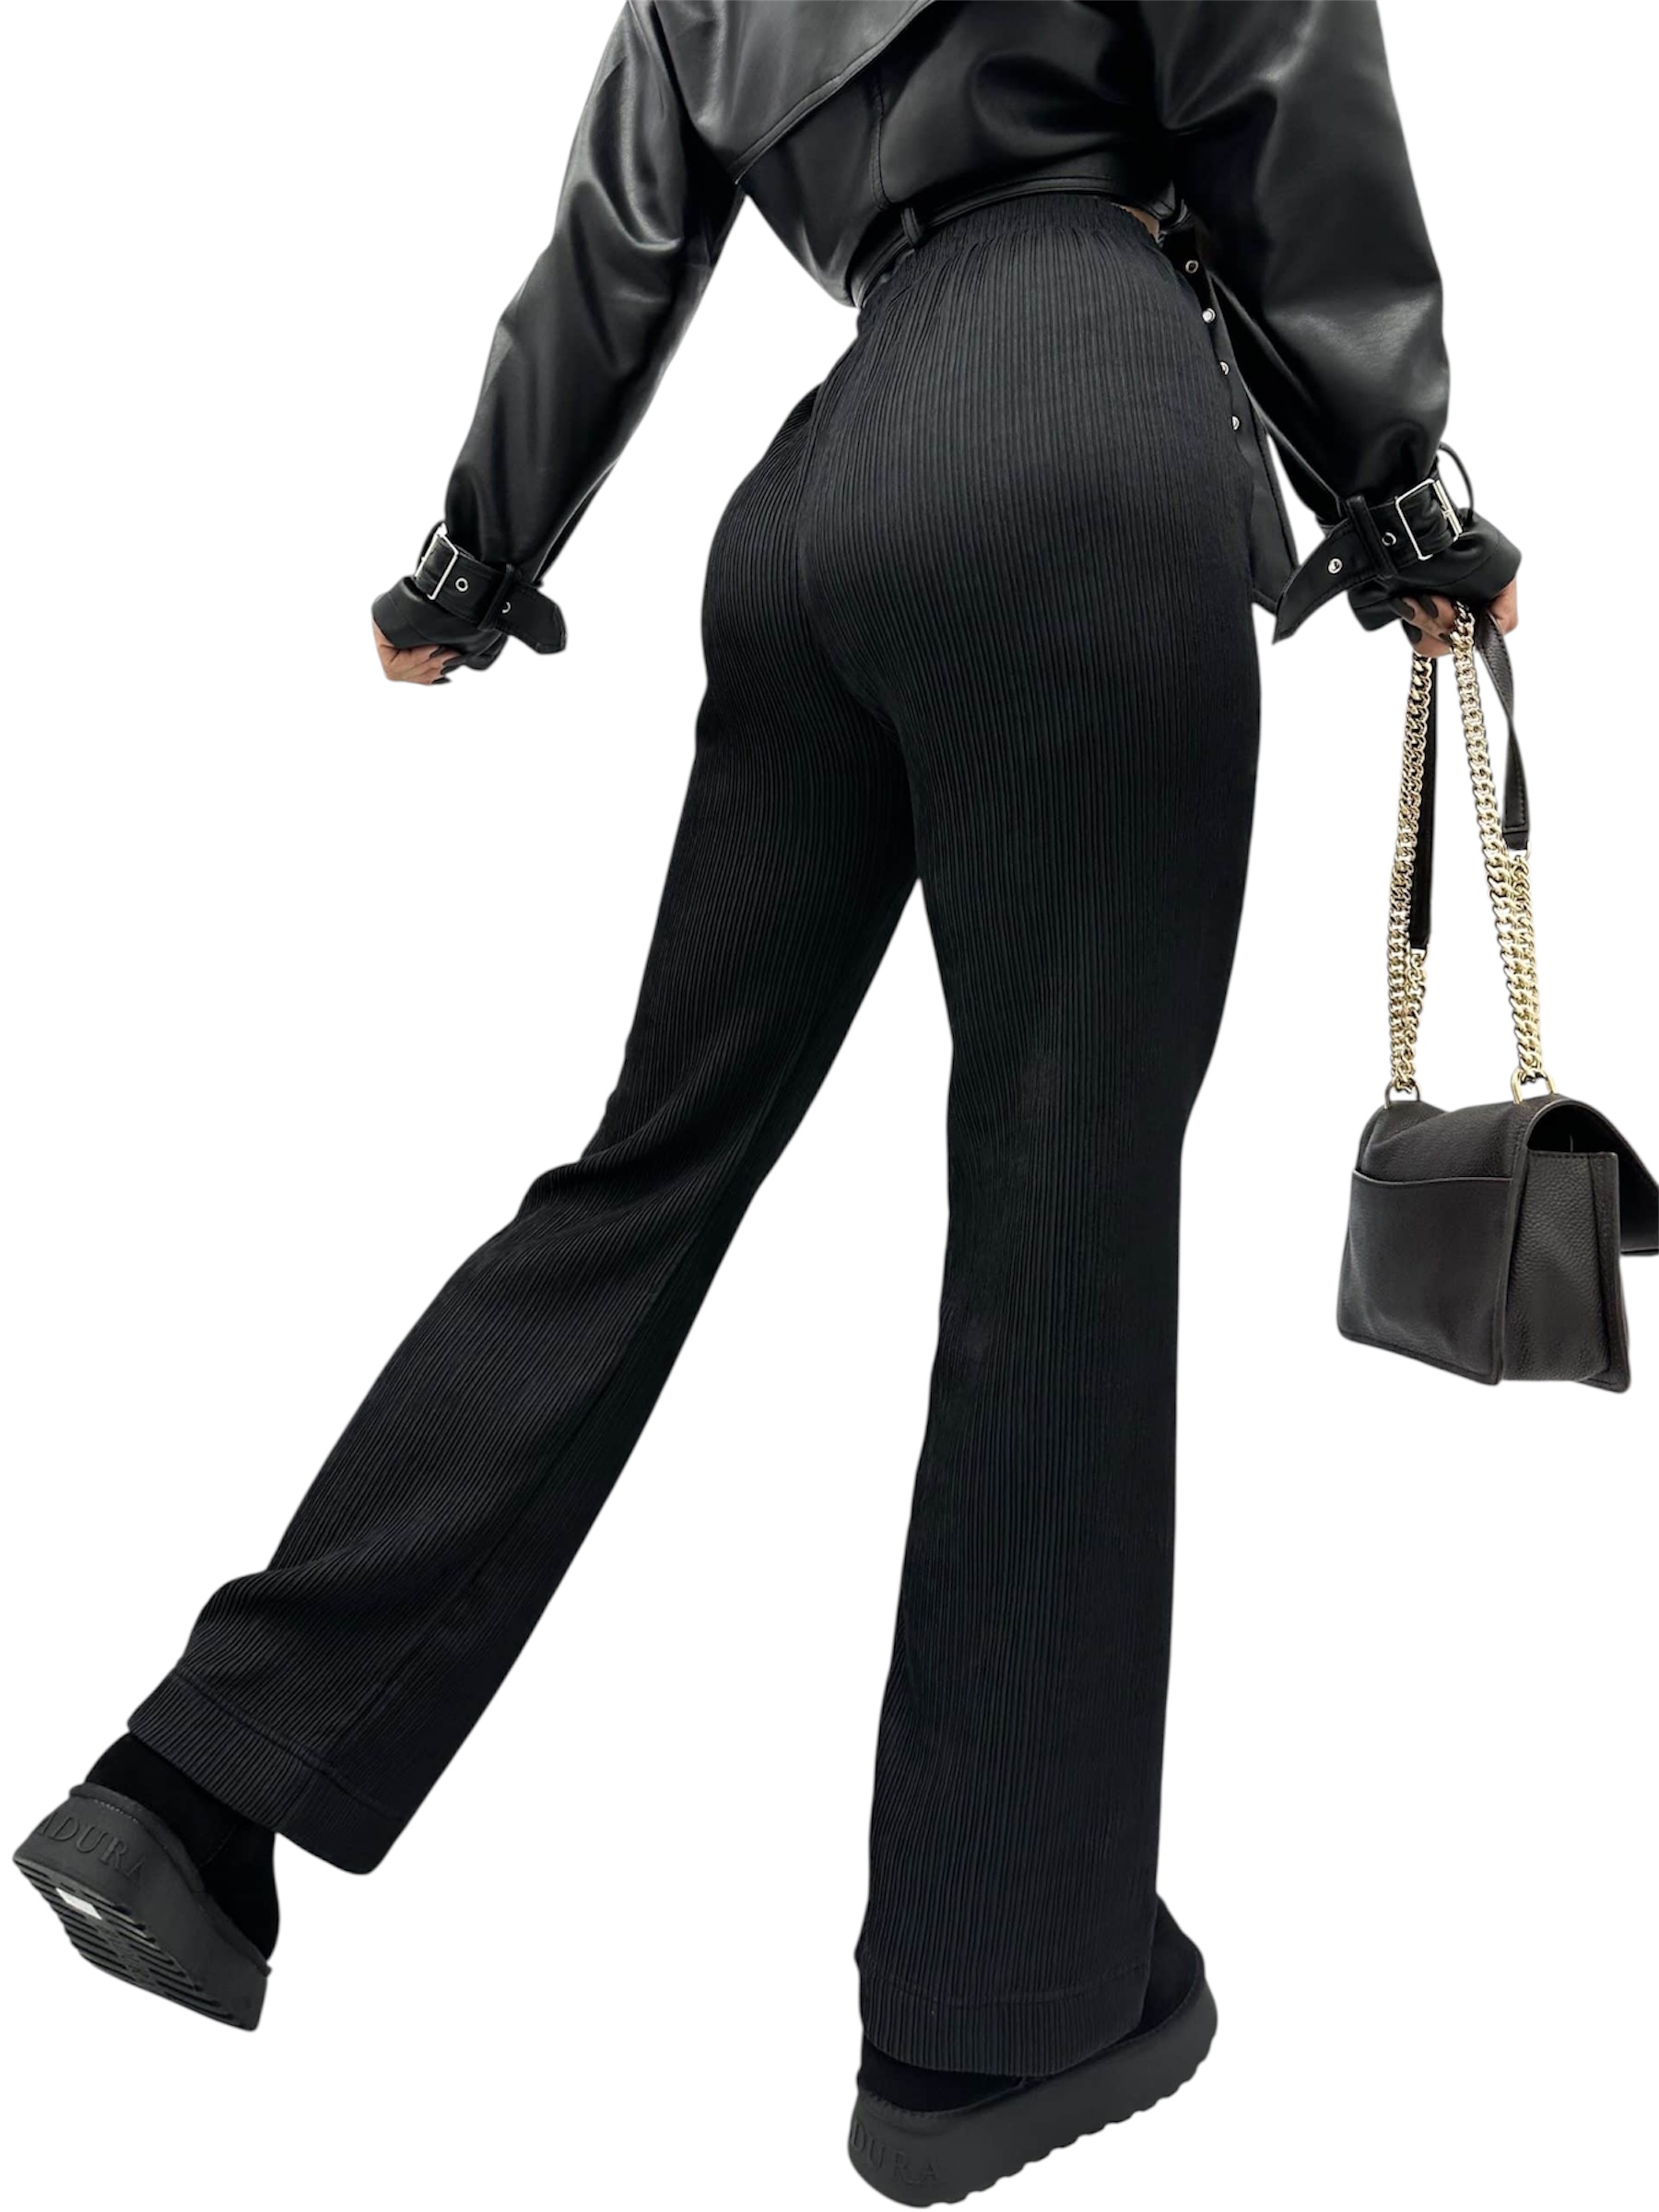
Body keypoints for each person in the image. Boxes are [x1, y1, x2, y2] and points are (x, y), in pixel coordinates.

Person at [15, 4, 1519, 2201]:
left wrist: (472, 559)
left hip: (824, 495)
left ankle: (193, 1789)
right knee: (1062, 1205)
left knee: (644, 1170)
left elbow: (616, 248)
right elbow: (1281, 87)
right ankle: (998, 2014)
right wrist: (1401, 496)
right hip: (1079, 412)